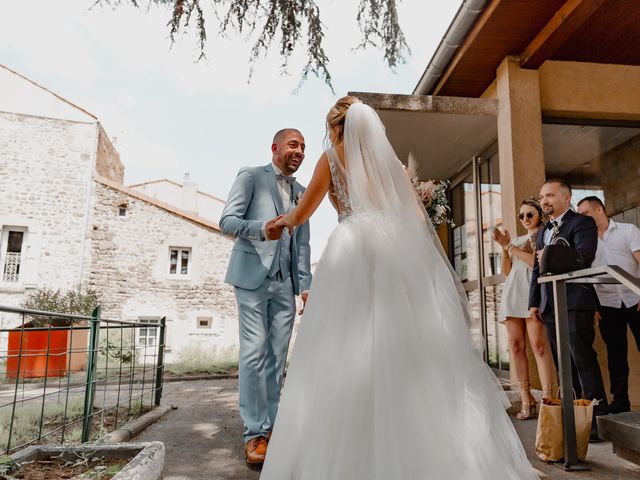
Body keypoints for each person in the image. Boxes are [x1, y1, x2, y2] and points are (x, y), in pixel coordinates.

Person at [260, 97, 538, 479]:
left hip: (352, 247)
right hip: (391, 246)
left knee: (342, 343)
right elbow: (414, 214)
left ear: (335, 128)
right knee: (402, 343)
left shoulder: (331, 157)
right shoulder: (387, 162)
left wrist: (282, 222)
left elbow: (303, 211)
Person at [219, 128, 312, 466]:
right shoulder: (251, 176)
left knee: (276, 359)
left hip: (285, 285)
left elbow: (302, 244)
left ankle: (271, 428)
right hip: (252, 278)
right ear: (275, 148)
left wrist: (305, 285)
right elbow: (226, 221)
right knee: (255, 355)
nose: (299, 151)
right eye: (293, 144)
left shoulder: (303, 192)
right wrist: (261, 229)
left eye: (303, 146)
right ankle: (254, 433)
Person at [528, 180, 608, 440]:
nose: (544, 201)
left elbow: (585, 255)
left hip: (575, 302)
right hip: (549, 305)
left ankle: (596, 421)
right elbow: (536, 270)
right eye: (542, 197)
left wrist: (549, 253)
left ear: (566, 197)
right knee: (563, 366)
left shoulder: (582, 223)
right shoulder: (542, 231)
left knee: (582, 359)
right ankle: (573, 421)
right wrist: (533, 302)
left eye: (549, 195)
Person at [492, 198, 555, 420]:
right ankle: (526, 397)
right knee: (515, 346)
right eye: (522, 216)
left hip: (533, 295)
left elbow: (534, 263)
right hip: (513, 294)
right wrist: (505, 249)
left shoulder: (545, 236)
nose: (525, 219)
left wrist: (511, 247)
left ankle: (548, 399)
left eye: (530, 214)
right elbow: (507, 272)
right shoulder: (516, 240)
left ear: (539, 214)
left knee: (538, 345)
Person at [577, 196, 640, 413]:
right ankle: (620, 402)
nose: (582, 218)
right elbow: (585, 276)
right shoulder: (586, 241)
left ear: (600, 209)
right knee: (616, 354)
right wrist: (593, 306)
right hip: (607, 304)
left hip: (635, 299)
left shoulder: (628, 230)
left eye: (585, 213)